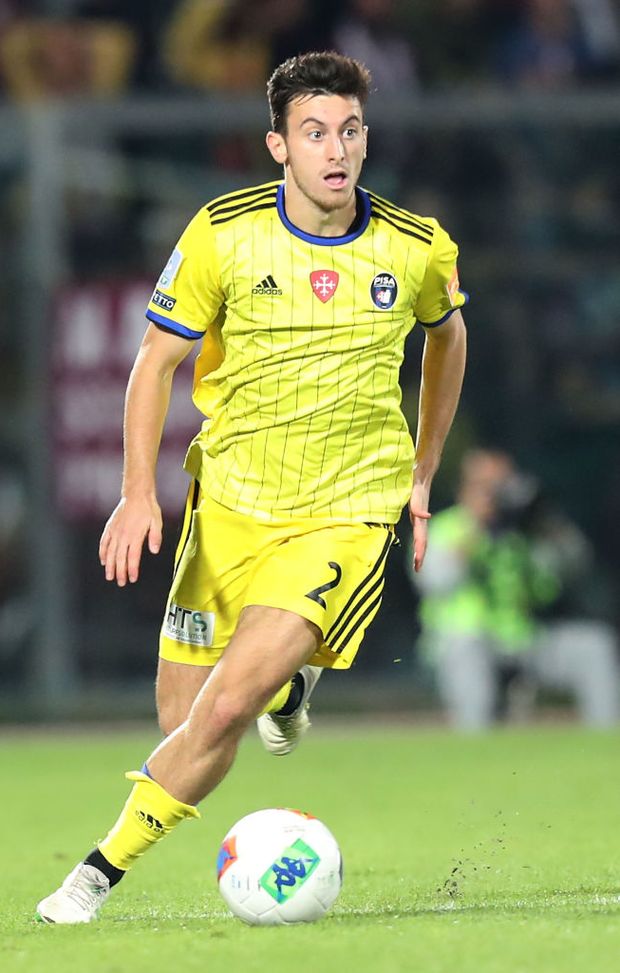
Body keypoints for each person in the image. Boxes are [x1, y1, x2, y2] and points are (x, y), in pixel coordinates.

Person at [35, 50, 467, 923]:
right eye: (314, 133)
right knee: (185, 716)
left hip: (345, 514)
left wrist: (422, 469)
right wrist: (132, 491)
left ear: (365, 138)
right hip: (228, 509)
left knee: (226, 707)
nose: (335, 149)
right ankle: (293, 683)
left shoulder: (416, 246)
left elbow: (449, 340)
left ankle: (92, 875)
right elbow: (155, 362)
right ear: (278, 146)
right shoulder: (222, 232)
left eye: (348, 130)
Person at [409, 448, 620, 730]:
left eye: (505, 485)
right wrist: (475, 528)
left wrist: (547, 522)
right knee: (465, 648)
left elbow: (573, 569)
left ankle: (606, 744)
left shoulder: (519, 535)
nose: (498, 495)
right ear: (465, 489)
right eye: (488, 487)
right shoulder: (446, 528)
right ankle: (474, 747)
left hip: (522, 639)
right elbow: (436, 581)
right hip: (465, 643)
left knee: (594, 645)